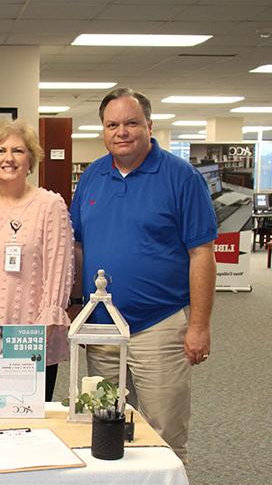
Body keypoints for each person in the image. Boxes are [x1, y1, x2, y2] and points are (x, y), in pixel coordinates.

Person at [70, 88, 217, 463]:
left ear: (149, 126)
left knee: (164, 432)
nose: (122, 131)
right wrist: (75, 308)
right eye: (112, 124)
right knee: (102, 427)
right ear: (103, 131)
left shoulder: (181, 177)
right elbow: (79, 248)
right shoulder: (92, 177)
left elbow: (201, 253)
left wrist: (199, 325)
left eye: (132, 123)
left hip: (160, 326)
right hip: (103, 329)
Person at [0, 119, 74, 402]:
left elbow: (60, 269)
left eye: (18, 151)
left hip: (31, 333)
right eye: (0, 150)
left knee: (28, 416)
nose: (9, 158)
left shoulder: (49, 205)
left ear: (31, 159)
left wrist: (43, 330)